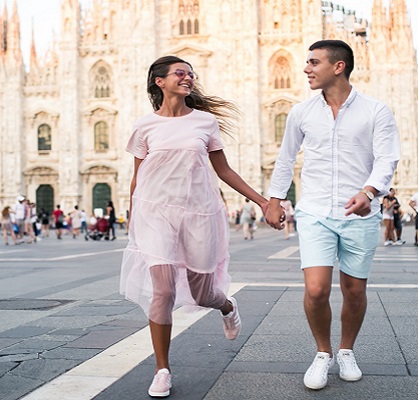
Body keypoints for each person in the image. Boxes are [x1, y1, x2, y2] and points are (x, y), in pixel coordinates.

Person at [120, 55, 269, 398]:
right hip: (155, 214)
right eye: (180, 73)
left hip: (198, 213)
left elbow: (224, 171)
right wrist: (133, 219)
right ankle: (162, 370)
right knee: (164, 291)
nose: (188, 78)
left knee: (203, 294)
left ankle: (227, 306)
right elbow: (138, 178)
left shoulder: (204, 122)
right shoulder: (144, 126)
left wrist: (262, 202)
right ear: (159, 81)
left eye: (191, 74)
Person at [264, 40, 399, 391]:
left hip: (360, 211)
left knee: (354, 290)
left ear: (338, 67)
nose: (306, 68)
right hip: (315, 210)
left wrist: (370, 191)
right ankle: (323, 353)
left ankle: (346, 350)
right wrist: (275, 199)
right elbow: (285, 158)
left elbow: (387, 158)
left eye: (313, 62)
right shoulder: (301, 112)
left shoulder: (376, 110)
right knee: (316, 289)